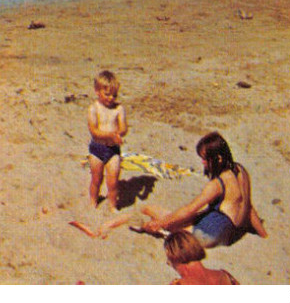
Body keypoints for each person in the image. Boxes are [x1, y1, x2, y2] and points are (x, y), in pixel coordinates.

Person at [139, 132, 267, 248]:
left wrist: (160, 224)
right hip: (230, 233)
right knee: (165, 217)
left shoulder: (218, 184)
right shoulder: (241, 171)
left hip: (210, 233)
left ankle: (151, 224)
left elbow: (190, 209)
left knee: (154, 213)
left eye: (205, 159)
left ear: (218, 158)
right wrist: (263, 234)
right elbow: (248, 206)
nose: (203, 162)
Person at [87, 70, 128, 208]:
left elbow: (123, 128)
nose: (111, 98)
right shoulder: (94, 108)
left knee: (113, 181)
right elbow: (94, 131)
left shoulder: (119, 108)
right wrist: (110, 135)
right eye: (107, 94)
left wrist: (118, 134)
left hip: (113, 150)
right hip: (97, 149)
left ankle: (112, 205)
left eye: (114, 95)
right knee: (96, 179)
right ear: (97, 91)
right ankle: (93, 201)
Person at [163, 230, 239, 285]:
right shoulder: (226, 277)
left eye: (168, 257)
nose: (168, 263)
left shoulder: (179, 285)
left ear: (174, 255)